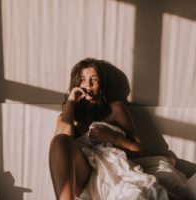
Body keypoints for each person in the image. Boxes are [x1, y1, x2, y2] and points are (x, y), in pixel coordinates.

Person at [49, 58, 169, 200]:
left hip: (112, 172)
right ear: (76, 84)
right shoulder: (68, 116)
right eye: (82, 79)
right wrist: (71, 101)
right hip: (84, 176)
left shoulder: (115, 109)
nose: (88, 84)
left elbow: (138, 148)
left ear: (102, 83)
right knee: (60, 140)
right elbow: (62, 139)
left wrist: (113, 137)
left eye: (94, 79)